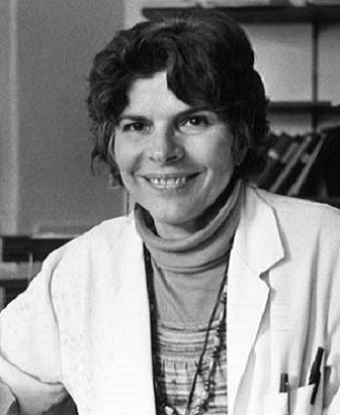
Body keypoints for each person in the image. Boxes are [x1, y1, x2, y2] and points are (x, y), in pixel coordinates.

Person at [1, 8, 340, 415]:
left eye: (193, 121)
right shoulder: (80, 268)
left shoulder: (327, 248)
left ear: (239, 134)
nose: (163, 152)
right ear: (112, 142)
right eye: (137, 126)